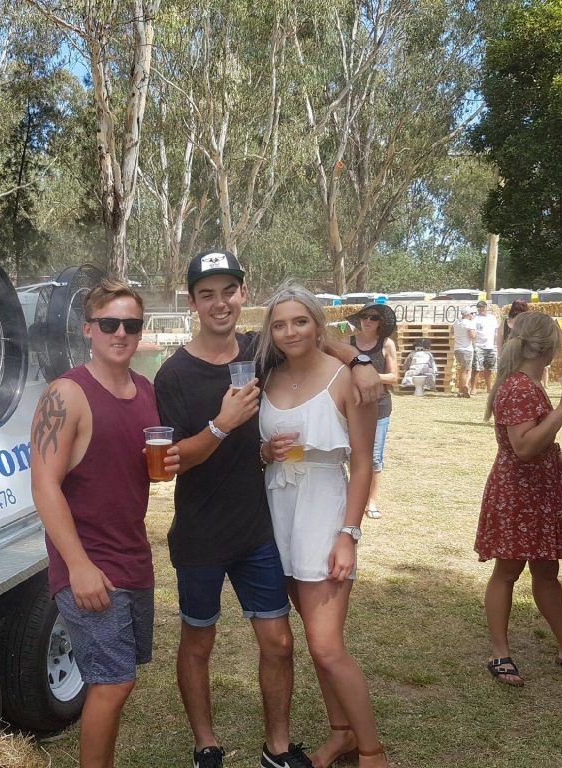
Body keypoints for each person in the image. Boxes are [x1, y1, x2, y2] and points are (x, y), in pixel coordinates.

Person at [154, 250, 383, 768]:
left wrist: (361, 361)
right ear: (192, 302)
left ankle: (284, 748)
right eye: (206, 294)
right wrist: (224, 425)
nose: (219, 303)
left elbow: (312, 335)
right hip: (207, 529)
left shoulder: (260, 351)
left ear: (243, 294)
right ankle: (206, 744)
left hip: (263, 528)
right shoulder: (174, 374)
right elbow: (170, 463)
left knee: (285, 643)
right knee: (199, 642)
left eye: (228, 291)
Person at [30, 280, 160, 768]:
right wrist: (78, 566)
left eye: (131, 324)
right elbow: (44, 486)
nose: (120, 333)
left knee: (120, 678)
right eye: (109, 323)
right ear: (88, 329)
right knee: (112, 682)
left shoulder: (145, 390)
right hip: (89, 564)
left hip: (133, 556)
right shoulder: (66, 394)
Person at [257, 283, 387, 768]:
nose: (290, 332)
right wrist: (265, 451)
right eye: (279, 324)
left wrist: (348, 535)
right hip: (278, 510)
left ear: (318, 324)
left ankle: (372, 751)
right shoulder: (267, 375)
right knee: (315, 642)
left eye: (300, 321)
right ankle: (341, 734)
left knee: (327, 647)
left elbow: (363, 461)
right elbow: (265, 448)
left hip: (323, 509)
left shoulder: (348, 379)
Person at [475, 312, 562, 686]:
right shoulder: (518, 387)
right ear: (550, 346)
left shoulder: (528, 383)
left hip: (536, 490)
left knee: (547, 571)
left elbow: (535, 436)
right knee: (507, 571)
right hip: (519, 493)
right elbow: (522, 446)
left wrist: (558, 451)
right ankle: (500, 654)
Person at [349, 303, 398, 519]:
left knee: (375, 458)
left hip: (379, 407)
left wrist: (368, 376)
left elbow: (394, 377)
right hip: (353, 406)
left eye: (374, 317)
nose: (368, 321)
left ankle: (371, 502)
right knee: (350, 455)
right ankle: (354, 499)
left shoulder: (387, 344)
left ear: (381, 323)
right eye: (364, 316)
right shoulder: (348, 343)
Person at [470, 300, 499, 395]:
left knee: (489, 368)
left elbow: (496, 331)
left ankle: (489, 388)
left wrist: (496, 344)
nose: (481, 309)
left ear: (486, 307)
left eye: (483, 307)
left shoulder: (492, 318)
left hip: (491, 346)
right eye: (479, 307)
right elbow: (473, 332)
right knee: (476, 368)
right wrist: (473, 344)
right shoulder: (475, 319)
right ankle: (473, 388)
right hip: (479, 346)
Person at [452, 306, 478, 397]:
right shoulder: (469, 323)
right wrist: (475, 332)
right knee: (465, 371)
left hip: (457, 349)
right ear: (468, 314)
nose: (473, 315)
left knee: (464, 369)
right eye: (472, 313)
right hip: (466, 349)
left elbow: (452, 331)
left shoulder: (456, 322)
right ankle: (462, 390)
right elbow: (473, 336)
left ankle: (463, 388)